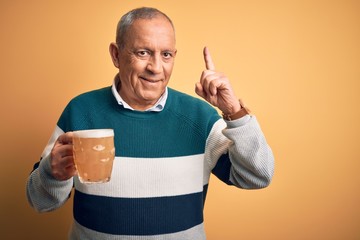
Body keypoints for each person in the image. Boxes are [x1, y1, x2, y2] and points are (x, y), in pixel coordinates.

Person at [26, 7, 274, 240]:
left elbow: (257, 176)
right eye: (143, 52)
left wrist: (233, 111)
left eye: (166, 55)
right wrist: (52, 173)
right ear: (116, 54)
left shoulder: (200, 117)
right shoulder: (80, 111)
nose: (156, 68)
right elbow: (40, 202)